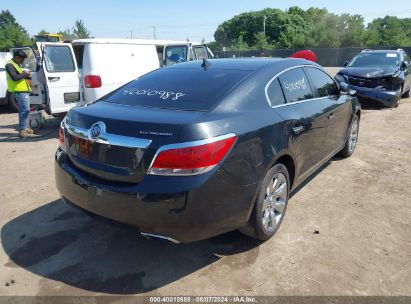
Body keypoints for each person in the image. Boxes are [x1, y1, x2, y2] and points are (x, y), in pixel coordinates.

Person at [5, 50, 34, 138]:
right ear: (17, 57)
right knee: (25, 110)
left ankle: (24, 128)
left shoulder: (15, 64)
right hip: (19, 91)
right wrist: (24, 73)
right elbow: (15, 78)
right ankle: (22, 130)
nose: (22, 61)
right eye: (22, 59)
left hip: (22, 90)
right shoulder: (9, 65)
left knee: (24, 110)